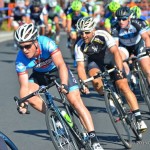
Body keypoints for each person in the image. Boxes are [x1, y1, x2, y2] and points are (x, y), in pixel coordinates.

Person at [14, 23, 104, 150]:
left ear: (35, 42)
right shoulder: (20, 59)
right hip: (40, 75)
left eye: (27, 46)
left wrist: (64, 84)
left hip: (58, 71)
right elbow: (23, 86)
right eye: (21, 47)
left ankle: (94, 140)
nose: (24, 50)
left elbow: (61, 65)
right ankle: (55, 115)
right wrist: (23, 103)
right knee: (29, 96)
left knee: (75, 101)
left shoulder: (47, 43)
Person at [75, 16, 147, 133]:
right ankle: (110, 96)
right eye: (81, 33)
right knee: (97, 84)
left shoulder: (103, 34)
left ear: (93, 30)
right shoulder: (79, 45)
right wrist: (83, 83)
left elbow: (115, 52)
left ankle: (138, 119)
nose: (84, 35)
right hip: (96, 64)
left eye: (87, 32)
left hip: (111, 60)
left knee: (123, 86)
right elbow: (80, 67)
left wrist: (119, 69)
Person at [111, 6, 150, 87]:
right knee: (118, 57)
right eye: (119, 19)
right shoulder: (115, 27)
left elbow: (146, 37)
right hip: (125, 47)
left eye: (124, 19)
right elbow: (115, 46)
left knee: (147, 70)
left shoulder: (137, 23)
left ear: (129, 18)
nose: (121, 21)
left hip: (138, 45)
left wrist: (148, 49)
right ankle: (129, 76)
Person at [66, 0, 88, 67]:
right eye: (74, 11)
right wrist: (70, 32)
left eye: (77, 11)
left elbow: (86, 23)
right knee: (73, 37)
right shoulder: (70, 12)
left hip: (81, 25)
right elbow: (69, 25)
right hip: (73, 25)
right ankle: (72, 46)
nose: (76, 12)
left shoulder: (84, 11)